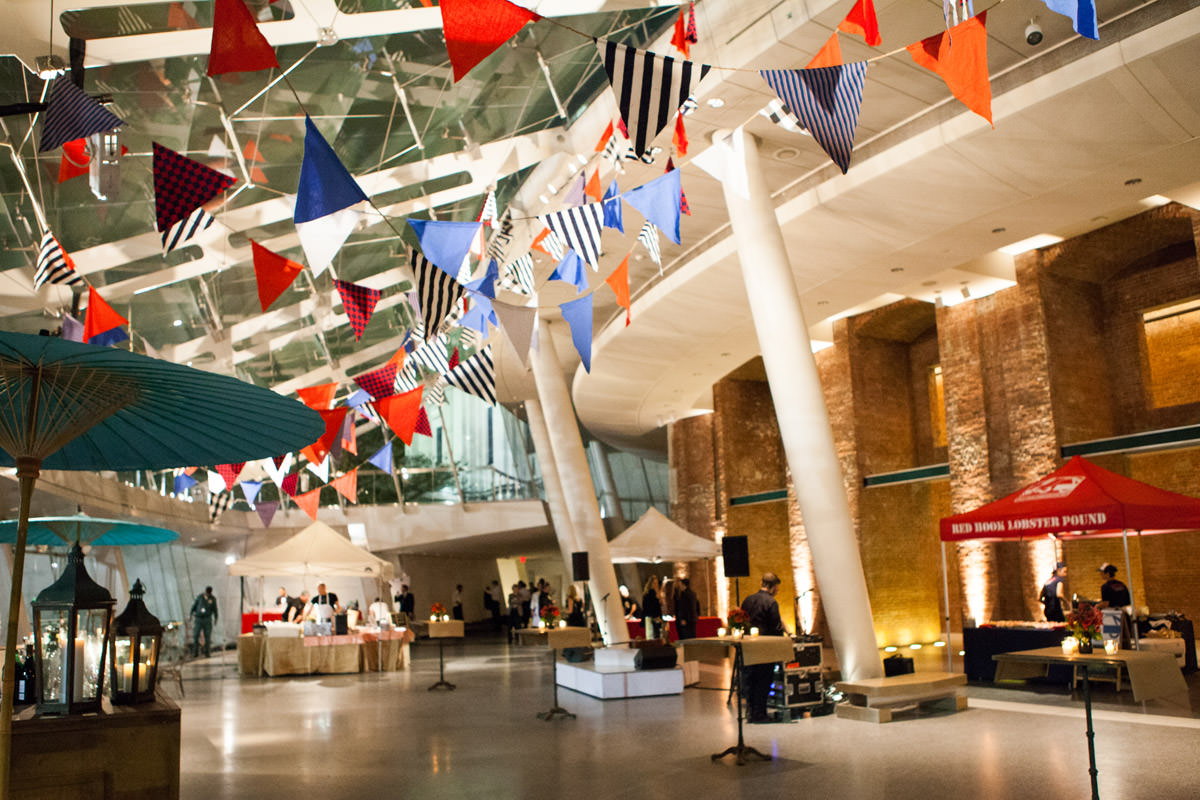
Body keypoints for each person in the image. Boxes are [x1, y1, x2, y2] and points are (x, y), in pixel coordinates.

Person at [741, 572, 787, 723]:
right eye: (777, 588)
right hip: (765, 649)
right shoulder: (771, 602)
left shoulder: (748, 600)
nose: (777, 591)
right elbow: (776, 627)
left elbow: (741, 622)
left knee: (750, 680)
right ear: (773, 587)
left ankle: (750, 711)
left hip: (748, 647)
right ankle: (759, 714)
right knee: (763, 681)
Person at [190, 586, 218, 658]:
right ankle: (196, 652)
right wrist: (191, 615)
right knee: (196, 635)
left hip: (207, 619)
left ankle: (207, 652)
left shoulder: (213, 599)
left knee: (207, 636)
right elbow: (194, 606)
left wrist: (216, 618)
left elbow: (215, 609)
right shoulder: (200, 597)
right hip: (198, 619)